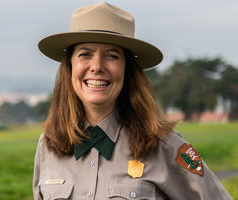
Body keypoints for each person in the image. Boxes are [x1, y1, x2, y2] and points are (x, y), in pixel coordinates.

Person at [33, 2, 232, 199]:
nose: (96, 66)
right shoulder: (48, 145)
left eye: (111, 56)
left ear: (127, 69)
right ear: (69, 66)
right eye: (85, 54)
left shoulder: (162, 144)